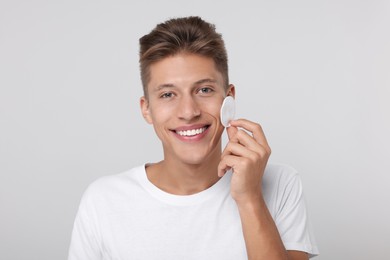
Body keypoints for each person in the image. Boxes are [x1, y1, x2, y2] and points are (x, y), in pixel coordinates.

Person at [68, 16, 319, 259]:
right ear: (147, 109)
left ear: (229, 97)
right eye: (168, 94)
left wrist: (250, 197)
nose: (189, 112)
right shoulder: (103, 200)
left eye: (204, 90)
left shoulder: (281, 185)